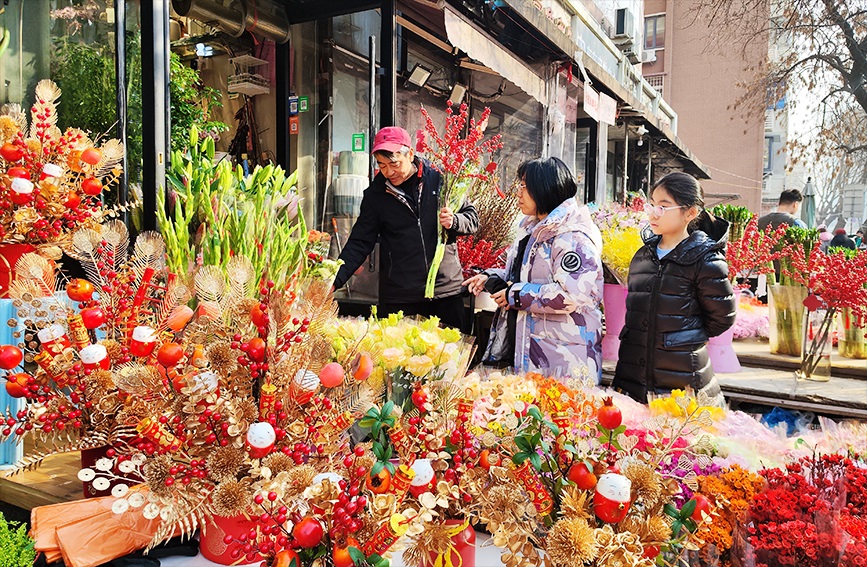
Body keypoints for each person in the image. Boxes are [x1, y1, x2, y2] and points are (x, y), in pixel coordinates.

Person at [462, 157, 604, 380]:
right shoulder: (535, 230)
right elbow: (525, 276)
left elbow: (571, 294)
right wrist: (490, 277)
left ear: (545, 188)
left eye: (524, 186)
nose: (518, 193)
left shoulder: (572, 237)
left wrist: (514, 295)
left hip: (564, 362)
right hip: (535, 352)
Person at [331, 127, 479, 330]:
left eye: (394, 164)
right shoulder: (375, 195)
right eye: (382, 165)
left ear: (410, 154)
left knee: (452, 350)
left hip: (445, 293)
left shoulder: (439, 179)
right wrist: (335, 280)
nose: (389, 172)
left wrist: (454, 221)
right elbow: (360, 242)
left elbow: (472, 219)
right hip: (400, 298)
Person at [612, 172, 736, 404]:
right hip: (632, 378)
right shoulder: (643, 256)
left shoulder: (705, 259)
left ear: (690, 213)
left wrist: (683, 337)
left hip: (683, 381)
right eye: (652, 205)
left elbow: (722, 318)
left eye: (663, 207)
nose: (653, 213)